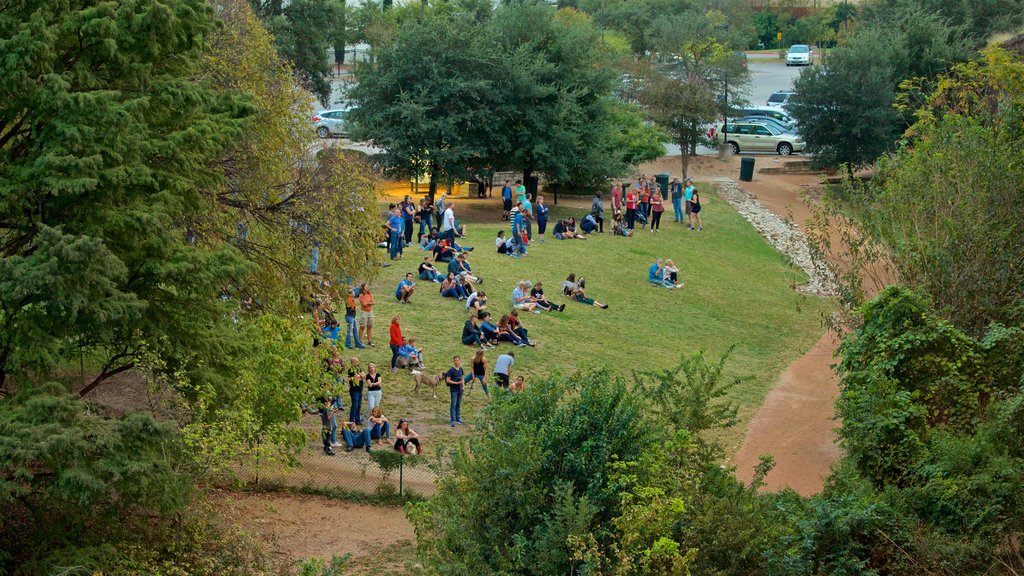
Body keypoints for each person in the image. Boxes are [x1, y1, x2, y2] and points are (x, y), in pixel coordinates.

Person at [445, 356, 465, 427]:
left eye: (457, 360)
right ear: (453, 361)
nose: (456, 361)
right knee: (453, 405)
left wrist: (463, 386)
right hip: (454, 390)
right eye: (455, 360)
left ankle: (458, 418)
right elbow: (448, 380)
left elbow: (463, 378)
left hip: (460, 389)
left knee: (458, 404)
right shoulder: (451, 370)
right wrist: (456, 383)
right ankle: (453, 420)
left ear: (459, 361)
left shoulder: (461, 369)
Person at [347, 357, 365, 425]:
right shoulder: (351, 370)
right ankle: (352, 419)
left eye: (358, 361)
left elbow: (363, 376)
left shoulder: (359, 368)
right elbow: (354, 379)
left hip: (360, 390)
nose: (358, 363)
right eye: (356, 362)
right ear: (352, 363)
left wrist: (359, 376)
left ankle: (357, 419)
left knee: (359, 406)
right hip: (354, 390)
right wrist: (360, 376)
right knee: (355, 405)